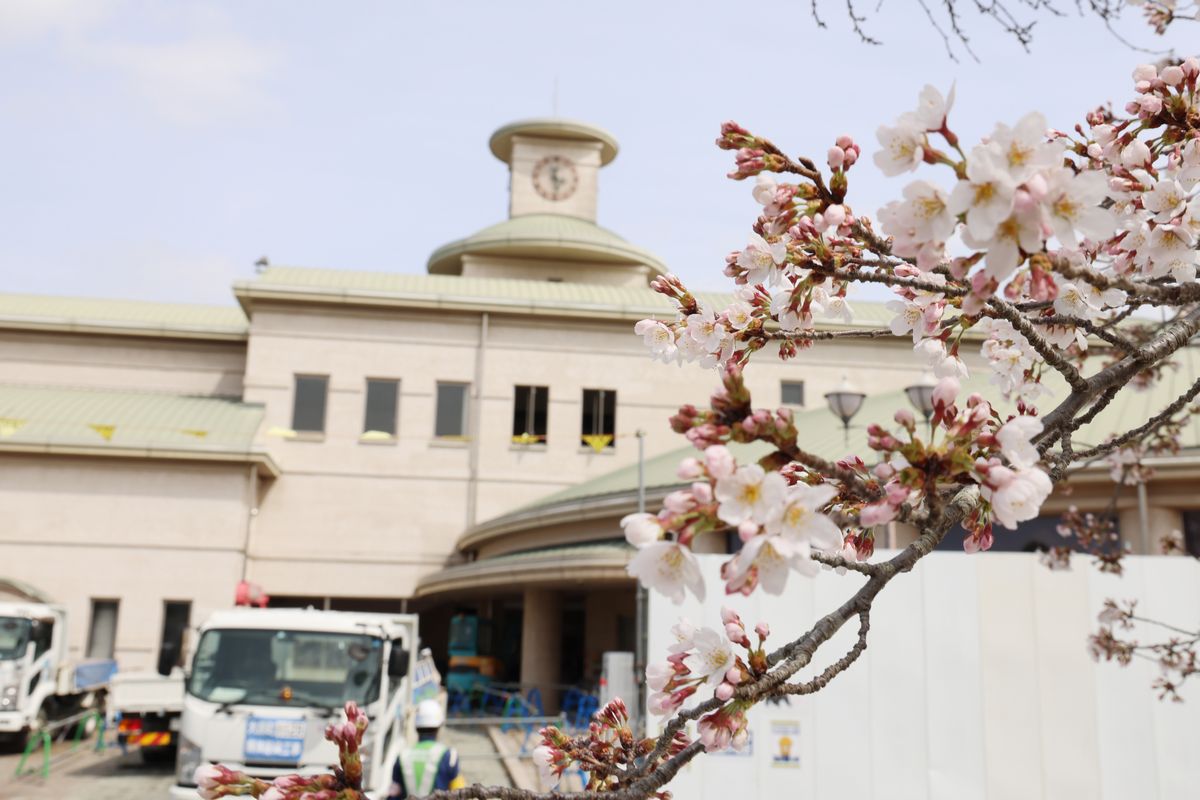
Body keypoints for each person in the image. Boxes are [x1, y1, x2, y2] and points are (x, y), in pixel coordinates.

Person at [387, 699, 464, 799]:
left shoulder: (402, 756)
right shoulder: (448, 756)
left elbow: (393, 795)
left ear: (416, 727)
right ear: (439, 726)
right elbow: (460, 792)